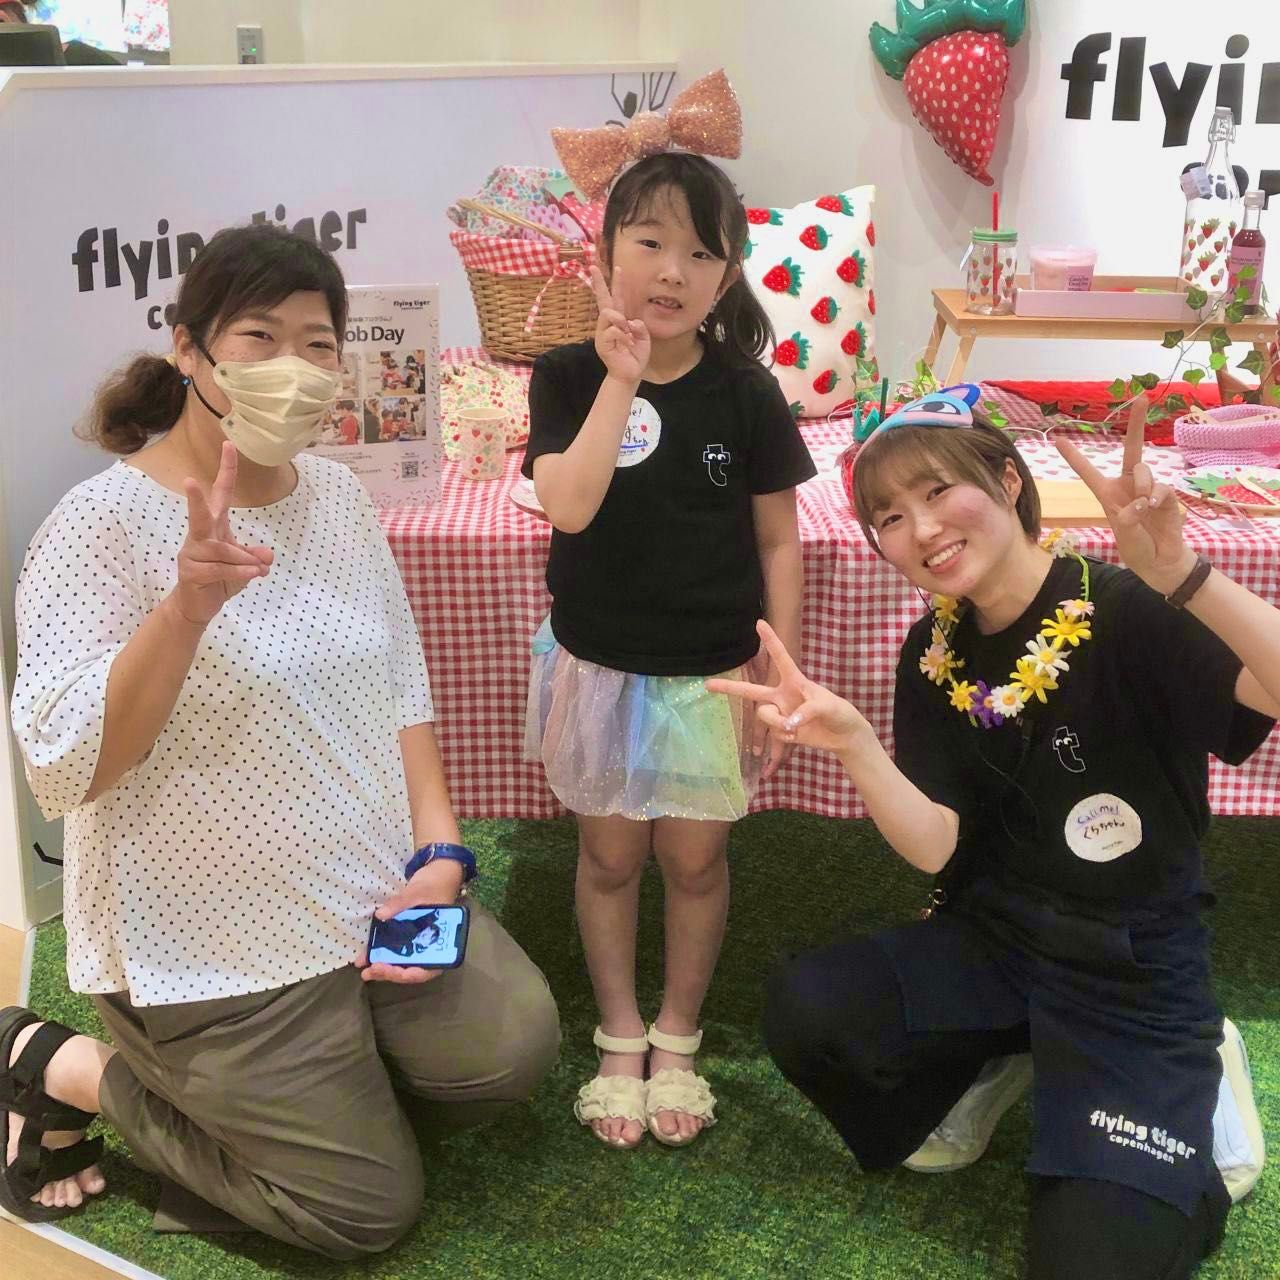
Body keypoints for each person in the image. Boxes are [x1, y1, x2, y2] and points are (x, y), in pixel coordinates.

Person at [2, 224, 559, 1254]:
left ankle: (316, 1093)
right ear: (187, 349)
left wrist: (440, 856)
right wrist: (183, 611)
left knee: (508, 1051)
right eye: (258, 336)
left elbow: (400, 684)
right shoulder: (97, 524)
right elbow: (63, 770)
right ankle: (61, 1066)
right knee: (362, 1211)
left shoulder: (337, 495)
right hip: (210, 943)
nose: (292, 367)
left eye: (317, 343)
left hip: (366, 898)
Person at [711, 389, 1279, 1279]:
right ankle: (1013, 1053)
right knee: (809, 1010)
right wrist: (857, 745)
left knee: (1094, 1264)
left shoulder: (1126, 607)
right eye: (890, 517)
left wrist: (1183, 575)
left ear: (1009, 480)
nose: (921, 530)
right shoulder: (931, 652)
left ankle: (1198, 1078)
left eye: (939, 491)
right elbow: (942, 846)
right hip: (997, 939)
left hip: (1132, 969)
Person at [522, 152, 815, 1150]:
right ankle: (619, 1031)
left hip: (713, 671)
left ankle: (677, 1032)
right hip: (598, 663)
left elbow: (778, 540)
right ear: (605, 252)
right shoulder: (567, 375)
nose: (671, 270)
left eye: (700, 253)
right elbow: (569, 505)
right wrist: (621, 375)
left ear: (726, 277)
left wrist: (780, 664)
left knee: (694, 861)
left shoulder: (746, 392)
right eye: (649, 241)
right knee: (608, 856)